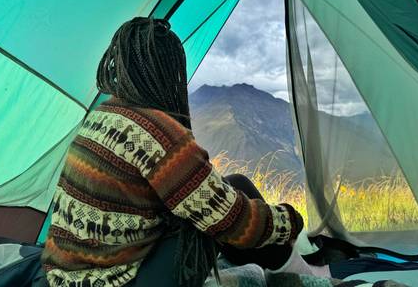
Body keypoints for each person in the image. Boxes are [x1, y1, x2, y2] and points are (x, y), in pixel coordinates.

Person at [40, 17, 313, 287]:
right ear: (170, 71)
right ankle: (303, 272)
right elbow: (232, 221)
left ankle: (287, 266)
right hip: (112, 281)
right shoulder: (157, 133)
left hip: (64, 273)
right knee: (214, 219)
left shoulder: (104, 115)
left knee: (234, 185)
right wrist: (292, 221)